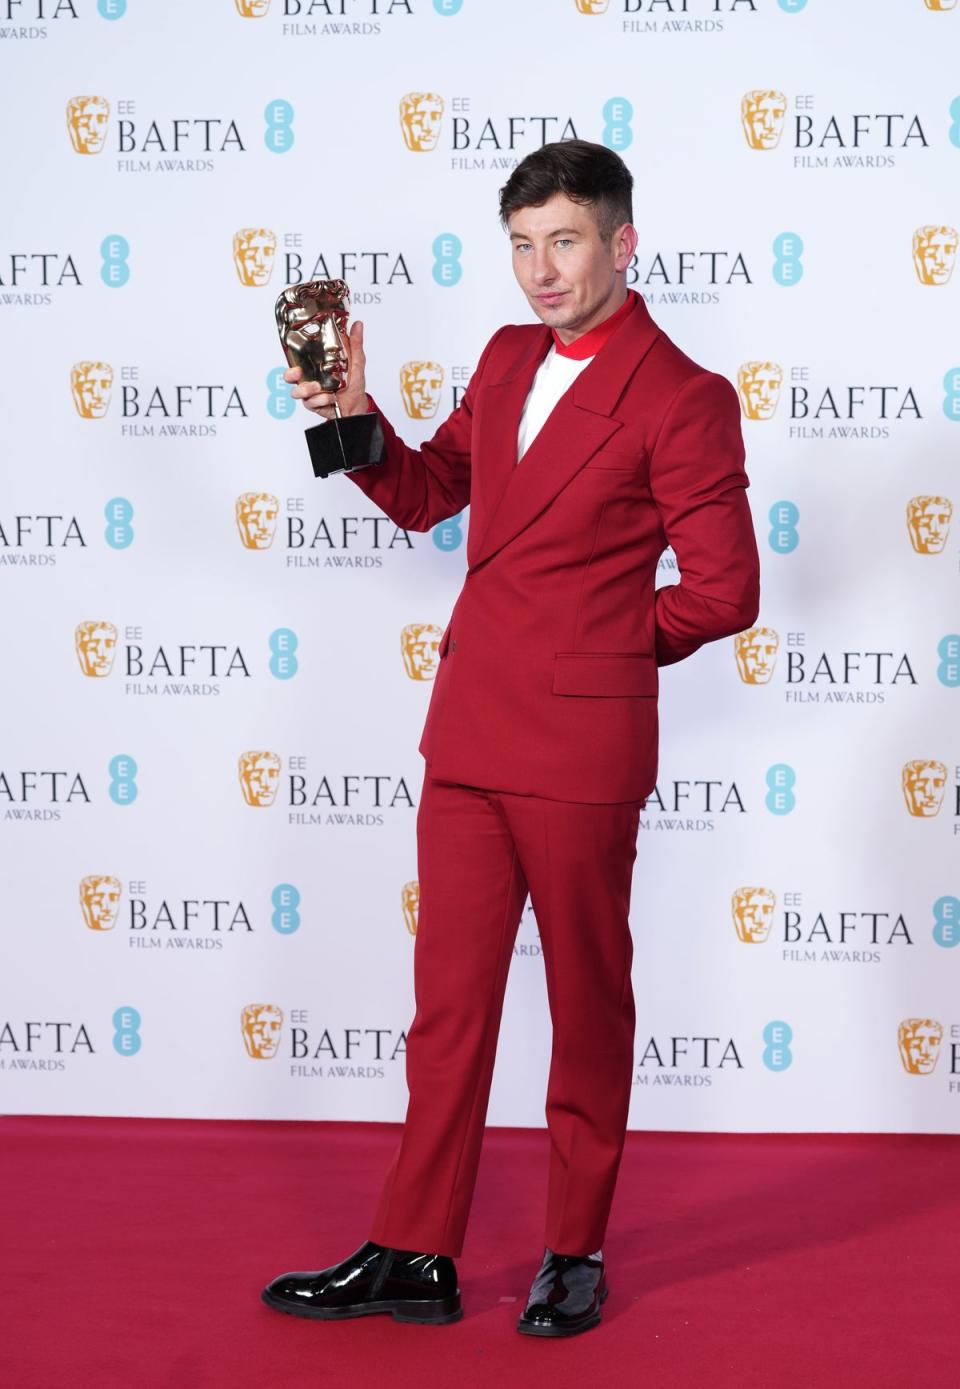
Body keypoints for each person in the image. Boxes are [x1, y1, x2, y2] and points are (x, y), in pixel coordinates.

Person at [261, 139, 761, 1339]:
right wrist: (348, 415)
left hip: (580, 749)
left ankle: (573, 1251)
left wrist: (587, 650)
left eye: (566, 242)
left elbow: (724, 593)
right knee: (448, 1006)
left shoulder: (682, 395)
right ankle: (414, 1249)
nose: (542, 270)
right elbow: (435, 490)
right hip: (471, 736)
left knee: (588, 1004)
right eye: (524, 245)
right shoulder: (502, 356)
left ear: (623, 244)